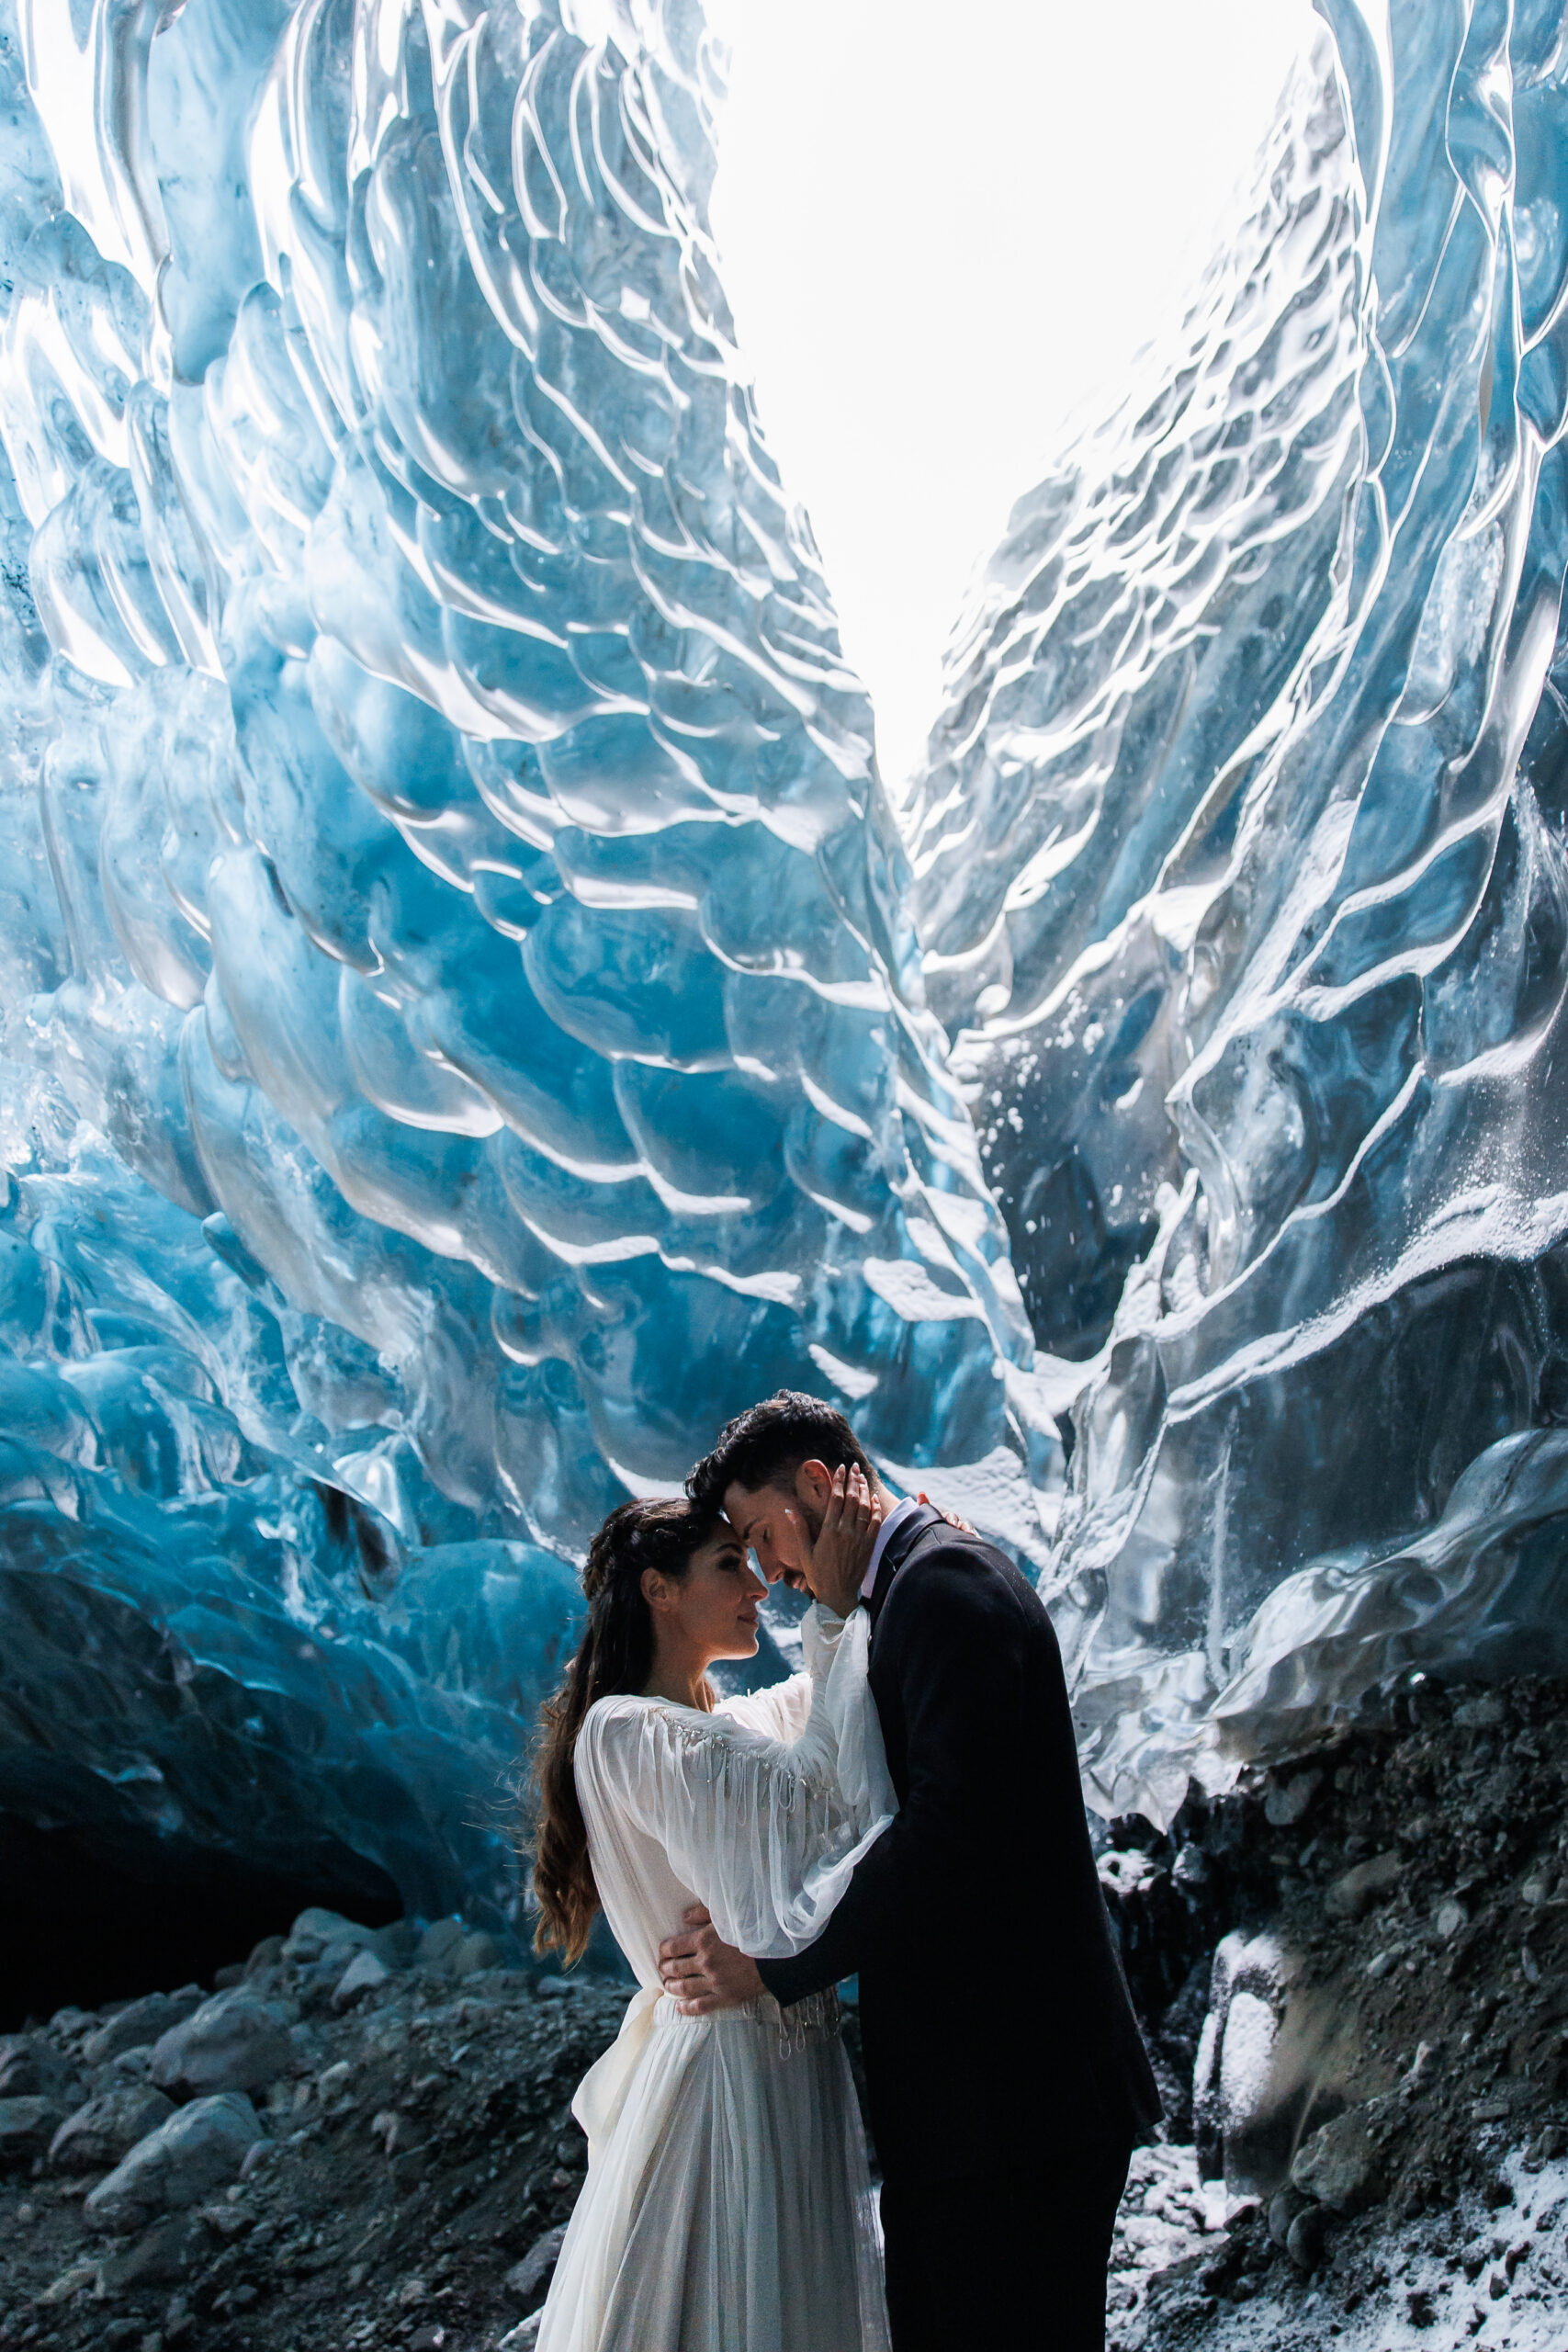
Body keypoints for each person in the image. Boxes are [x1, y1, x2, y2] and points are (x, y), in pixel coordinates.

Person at [660, 1392, 1161, 2352]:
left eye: (767, 1536)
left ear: (817, 1485)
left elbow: (947, 1840)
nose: (770, 1574)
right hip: (983, 2108)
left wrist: (774, 1965)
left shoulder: (941, 1590)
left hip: (1019, 2105)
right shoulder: (913, 1588)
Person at [529, 1480, 896, 2352]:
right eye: (730, 1564)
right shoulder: (628, 1730)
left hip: (775, 2066)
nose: (759, 1588)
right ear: (657, 1589)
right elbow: (817, 1815)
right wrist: (839, 1611)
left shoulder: (718, 1729)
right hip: (724, 2074)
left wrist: (861, 1587)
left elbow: (823, 1723)